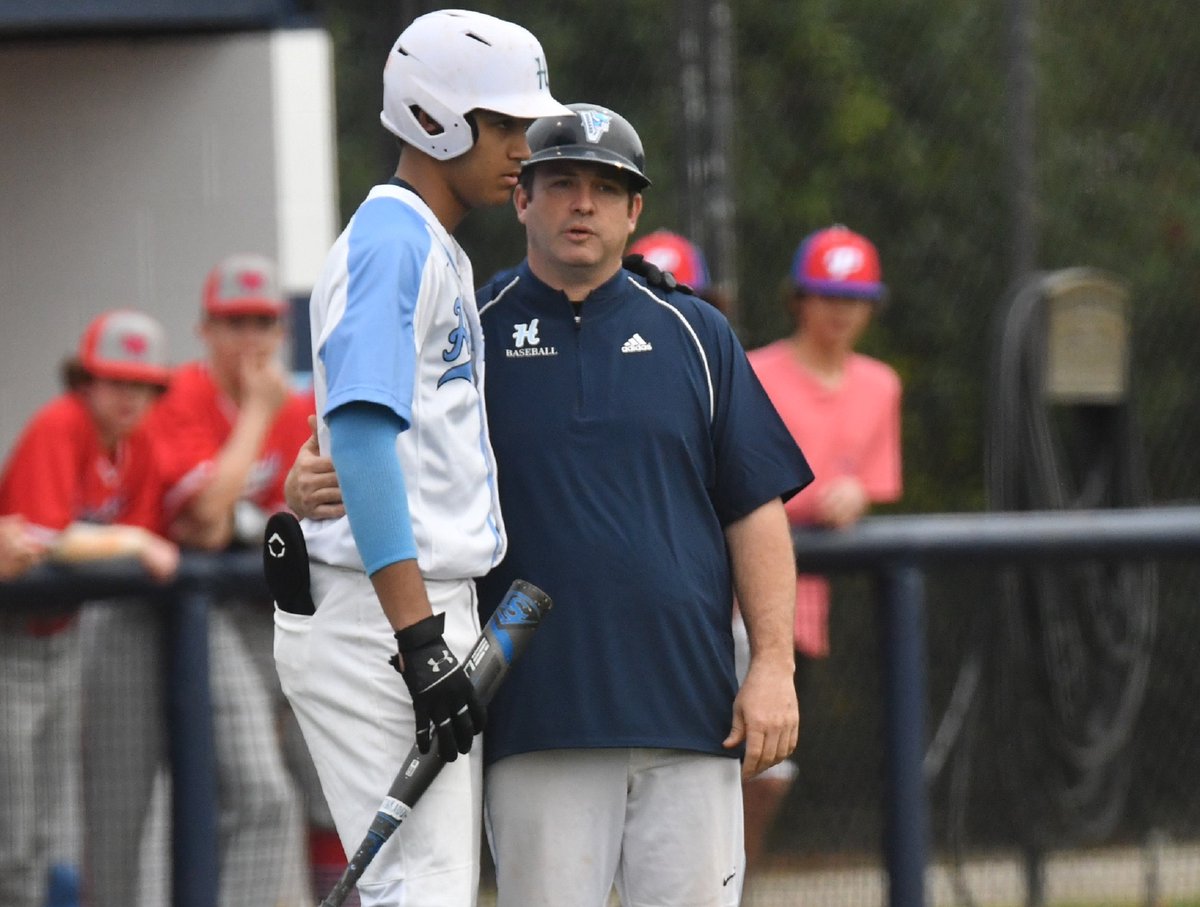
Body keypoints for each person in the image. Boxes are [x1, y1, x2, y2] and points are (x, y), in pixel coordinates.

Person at [287, 102, 813, 907]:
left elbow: (755, 508)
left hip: (691, 713)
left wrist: (773, 665)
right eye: (560, 182)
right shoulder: (473, 327)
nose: (582, 204)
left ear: (635, 210)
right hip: (535, 721)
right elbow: (366, 431)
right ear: (522, 196)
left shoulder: (698, 334)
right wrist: (307, 478)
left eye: (606, 188)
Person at [272, 10, 571, 907]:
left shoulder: (421, 238)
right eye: (506, 124)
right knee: (423, 889)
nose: (524, 145)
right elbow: (361, 432)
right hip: (383, 617)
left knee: (426, 885)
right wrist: (419, 642)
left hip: (404, 611)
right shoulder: (393, 239)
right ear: (439, 118)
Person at [81, 254, 315, 907]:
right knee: (123, 815)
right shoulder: (181, 395)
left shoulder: (297, 407)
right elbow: (204, 521)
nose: (249, 337)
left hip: (228, 616)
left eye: (262, 320)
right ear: (204, 329)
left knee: (267, 795)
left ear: (280, 330)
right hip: (134, 612)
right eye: (233, 321)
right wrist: (258, 416)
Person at [0, 309, 180, 907]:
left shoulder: (133, 446)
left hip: (61, 641)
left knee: (46, 829)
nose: (130, 396)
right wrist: (131, 541)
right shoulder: (60, 424)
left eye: (142, 384)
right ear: (85, 380)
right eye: (115, 380)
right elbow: (45, 539)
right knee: (13, 835)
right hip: (11, 642)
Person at [742, 224, 903, 866]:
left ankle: (731, 888)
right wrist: (812, 497)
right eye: (825, 293)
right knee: (744, 762)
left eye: (854, 296)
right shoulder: (755, 372)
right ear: (798, 300)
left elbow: (876, 481)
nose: (840, 310)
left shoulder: (880, 384)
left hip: (805, 608)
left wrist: (856, 494)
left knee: (769, 766)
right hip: (736, 598)